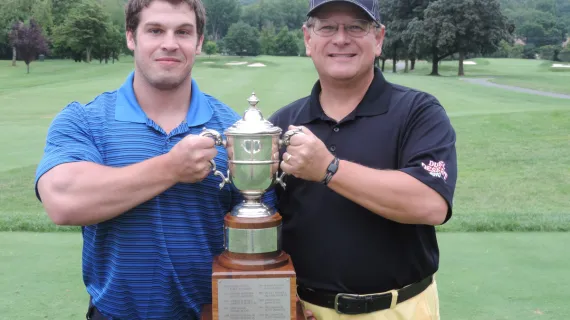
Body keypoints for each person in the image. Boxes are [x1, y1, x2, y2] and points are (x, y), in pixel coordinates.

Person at [34, 0, 274, 319]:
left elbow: (260, 235)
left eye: (183, 32)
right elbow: (63, 201)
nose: (170, 43)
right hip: (113, 313)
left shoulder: (234, 129)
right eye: (155, 30)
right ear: (131, 37)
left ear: (199, 41)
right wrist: (171, 168)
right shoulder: (84, 120)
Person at [268, 0, 458, 319]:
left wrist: (329, 169)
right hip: (306, 310)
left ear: (379, 38)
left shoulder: (419, 112)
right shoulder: (283, 122)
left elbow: (430, 205)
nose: (341, 38)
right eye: (327, 26)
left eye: (356, 26)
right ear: (308, 39)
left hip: (399, 309)